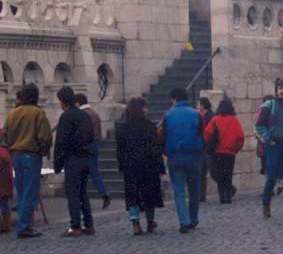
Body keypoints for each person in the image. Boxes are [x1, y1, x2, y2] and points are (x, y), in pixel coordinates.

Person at [2, 83, 52, 239]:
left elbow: (6, 135)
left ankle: (24, 225)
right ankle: (24, 226)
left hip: (16, 154)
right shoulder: (38, 113)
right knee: (30, 192)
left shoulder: (12, 114)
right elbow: (45, 137)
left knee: (22, 190)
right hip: (31, 154)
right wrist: (43, 150)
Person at [115, 97, 165, 235]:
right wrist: (160, 166)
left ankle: (135, 222)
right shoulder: (149, 126)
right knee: (149, 193)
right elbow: (155, 148)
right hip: (148, 165)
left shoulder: (121, 128)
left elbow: (120, 150)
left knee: (133, 195)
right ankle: (150, 221)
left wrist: (121, 164)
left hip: (130, 165)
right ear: (141, 109)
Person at [158, 86, 204, 233]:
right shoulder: (196, 114)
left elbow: (162, 135)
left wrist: (165, 151)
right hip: (193, 155)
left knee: (178, 191)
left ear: (174, 99)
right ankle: (193, 218)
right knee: (194, 189)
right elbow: (202, 133)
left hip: (175, 156)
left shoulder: (168, 115)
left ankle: (184, 222)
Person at [54, 85, 96, 237]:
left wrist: (57, 164)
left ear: (62, 101)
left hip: (73, 159)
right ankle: (89, 224)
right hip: (86, 158)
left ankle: (75, 225)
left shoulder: (66, 116)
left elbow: (61, 142)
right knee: (83, 192)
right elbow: (91, 137)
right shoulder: (84, 116)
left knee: (72, 193)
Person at [256, 78, 283, 219]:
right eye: (280, 88)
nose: (282, 91)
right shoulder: (269, 105)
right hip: (273, 145)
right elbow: (260, 124)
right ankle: (266, 203)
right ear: (276, 90)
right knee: (272, 177)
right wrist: (268, 139)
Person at [204, 97, 245, 204]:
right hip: (230, 152)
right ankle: (228, 196)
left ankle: (222, 196)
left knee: (219, 174)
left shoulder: (215, 120)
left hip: (217, 151)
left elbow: (207, 134)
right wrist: (236, 149)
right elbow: (240, 137)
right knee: (228, 174)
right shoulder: (234, 120)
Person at [75, 93, 111, 208]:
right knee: (95, 173)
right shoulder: (94, 113)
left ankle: (81, 199)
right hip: (94, 146)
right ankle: (104, 194)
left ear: (78, 103)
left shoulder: (82, 115)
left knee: (80, 174)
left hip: (84, 147)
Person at [198, 97, 214, 202]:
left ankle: (229, 188)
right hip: (203, 147)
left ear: (203, 105)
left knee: (211, 171)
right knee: (202, 172)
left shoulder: (210, 116)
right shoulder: (203, 115)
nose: (197, 106)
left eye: (199, 104)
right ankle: (201, 195)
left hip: (208, 147)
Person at [0, 128, 13, 234]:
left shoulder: (3, 152)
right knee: (5, 205)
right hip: (5, 183)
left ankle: (6, 225)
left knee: (5, 205)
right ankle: (6, 225)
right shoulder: (5, 150)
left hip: (3, 183)